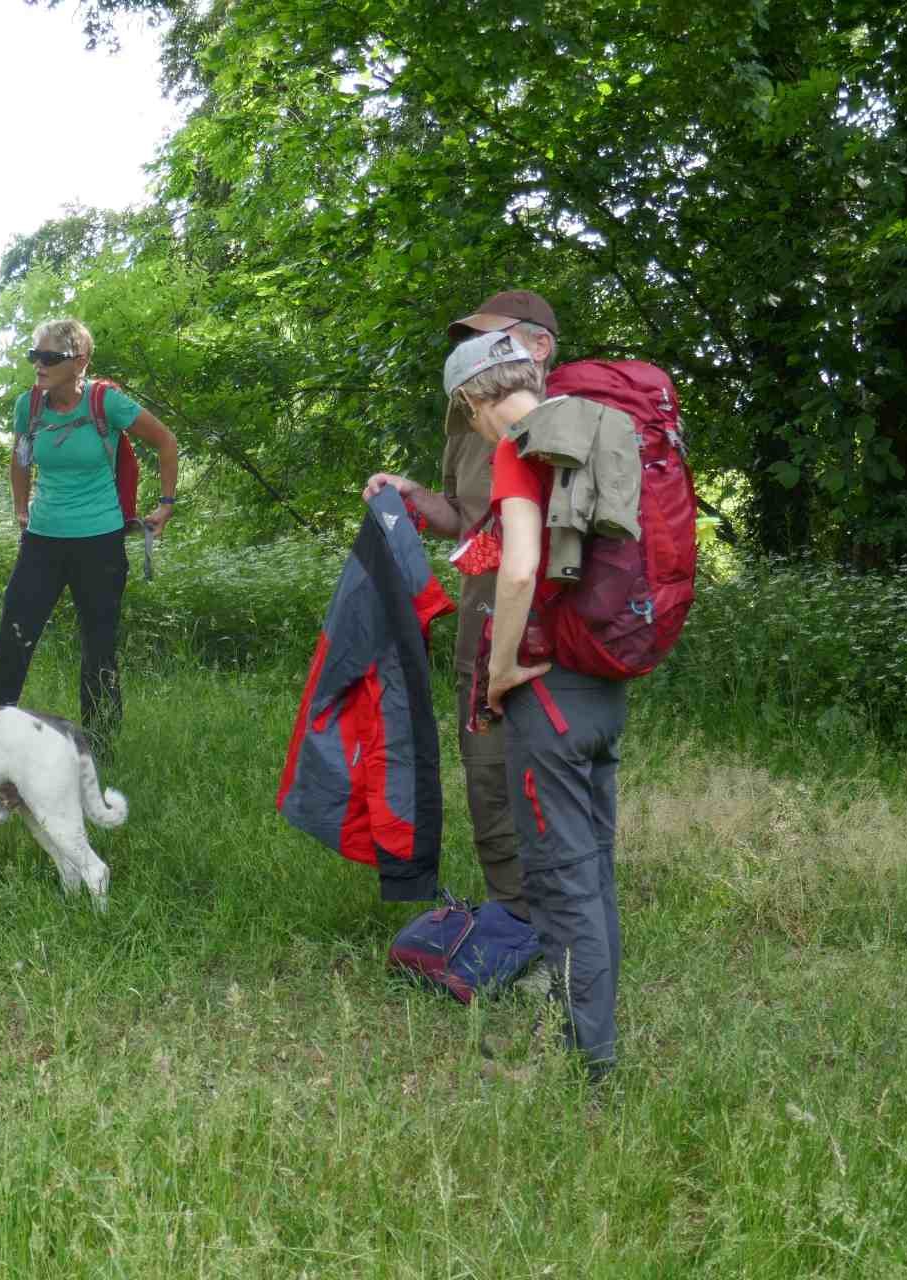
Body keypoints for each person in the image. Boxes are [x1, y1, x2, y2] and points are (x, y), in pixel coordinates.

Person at [445, 330, 626, 1081]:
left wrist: (499, 669)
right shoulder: (590, 427)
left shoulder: (523, 446)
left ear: (475, 399)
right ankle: (583, 1041)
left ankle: (586, 1070)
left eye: (469, 415)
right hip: (601, 683)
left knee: (559, 880)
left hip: (546, 696)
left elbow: (518, 571)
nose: (476, 431)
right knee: (592, 872)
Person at [363, 291, 560, 925]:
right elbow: (464, 520)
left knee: (555, 785)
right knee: (488, 776)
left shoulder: (576, 420)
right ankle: (514, 916)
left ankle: (566, 925)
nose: (472, 352)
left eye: (490, 337)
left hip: (558, 636)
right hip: (482, 628)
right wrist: (412, 495)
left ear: (538, 346)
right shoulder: (471, 427)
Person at [0, 317, 178, 754]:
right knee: (13, 636)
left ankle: (99, 747)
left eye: (50, 357)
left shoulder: (107, 404)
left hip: (100, 542)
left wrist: (166, 504)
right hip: (42, 542)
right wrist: (20, 507)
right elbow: (20, 460)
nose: (39, 365)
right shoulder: (27, 407)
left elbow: (166, 442)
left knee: (98, 645)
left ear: (79, 361)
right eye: (35, 355)